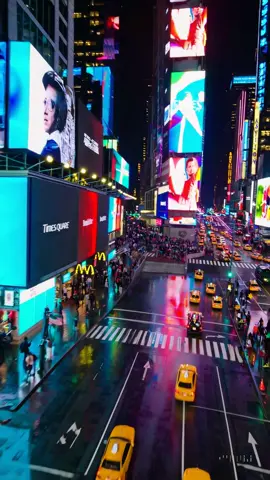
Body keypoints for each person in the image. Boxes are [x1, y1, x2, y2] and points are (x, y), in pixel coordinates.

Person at [41, 71, 67, 163]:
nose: (45, 111)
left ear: (59, 111)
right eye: (45, 102)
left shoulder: (52, 149)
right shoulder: (53, 145)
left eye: (51, 104)